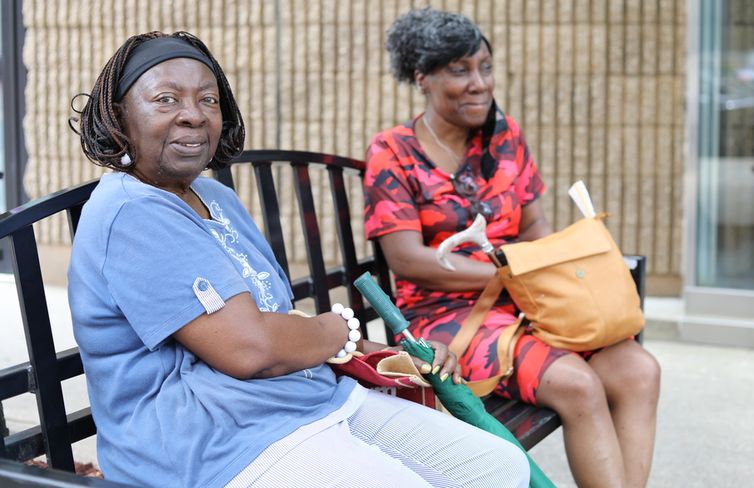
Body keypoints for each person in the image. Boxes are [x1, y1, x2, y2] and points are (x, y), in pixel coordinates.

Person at [67, 30, 530, 488]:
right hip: (211, 443)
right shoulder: (131, 212)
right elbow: (252, 349)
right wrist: (340, 329)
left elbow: (275, 316)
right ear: (118, 116)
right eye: (165, 100)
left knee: (499, 468)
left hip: (301, 399)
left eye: (208, 101)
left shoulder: (212, 195)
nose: (192, 115)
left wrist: (367, 350)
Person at [364, 8, 661, 488]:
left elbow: (535, 225)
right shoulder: (393, 151)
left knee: (638, 370)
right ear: (423, 78)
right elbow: (408, 260)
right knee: (577, 384)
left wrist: (552, 273)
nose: (479, 82)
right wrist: (511, 271)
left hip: (530, 301)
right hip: (447, 317)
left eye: (485, 66)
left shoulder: (506, 138)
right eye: (459, 70)